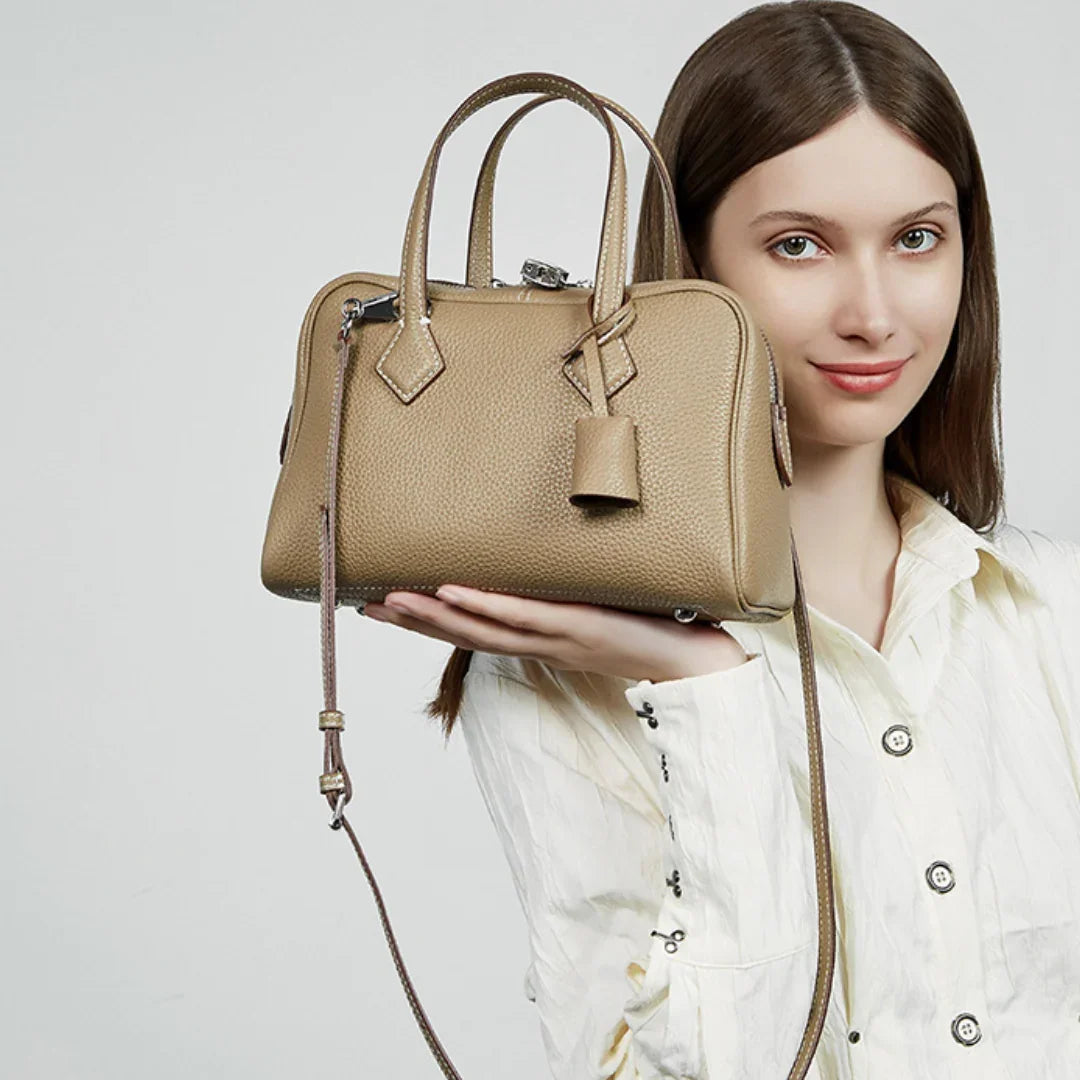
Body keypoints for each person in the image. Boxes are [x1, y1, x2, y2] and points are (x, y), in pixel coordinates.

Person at [359, 2, 1080, 1076]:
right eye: (800, 245)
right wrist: (708, 690)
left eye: (917, 238)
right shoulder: (558, 675)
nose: (875, 312)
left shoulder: (1052, 612)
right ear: (692, 270)